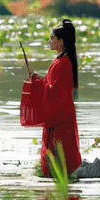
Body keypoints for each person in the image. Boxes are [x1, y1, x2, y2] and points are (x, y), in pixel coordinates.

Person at [27, 19, 82, 177]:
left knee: (60, 153)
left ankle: (62, 178)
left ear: (60, 41)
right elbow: (52, 85)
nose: (49, 41)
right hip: (60, 112)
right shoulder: (59, 61)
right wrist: (39, 78)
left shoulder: (63, 63)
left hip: (61, 116)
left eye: (51, 38)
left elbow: (57, 92)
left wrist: (39, 86)